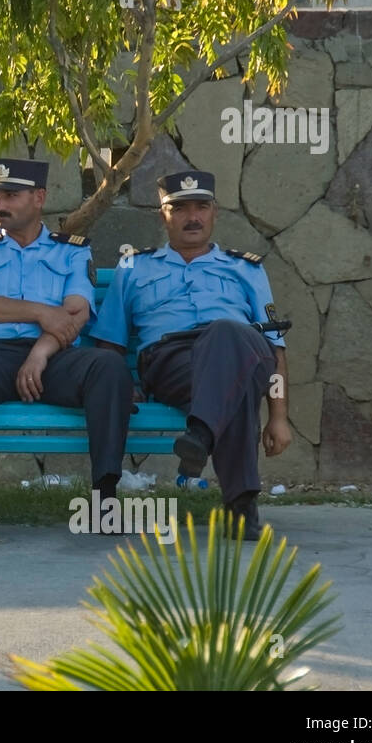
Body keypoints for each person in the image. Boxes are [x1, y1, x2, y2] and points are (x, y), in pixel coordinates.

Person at [0, 158, 133, 536]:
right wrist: (42, 312)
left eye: (11, 195)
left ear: (39, 198)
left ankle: (105, 498)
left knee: (108, 368)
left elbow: (75, 313)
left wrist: (40, 353)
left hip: (53, 361)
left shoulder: (72, 251)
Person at [90, 170, 292, 540]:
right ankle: (241, 506)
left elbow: (275, 345)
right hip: (171, 363)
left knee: (228, 333)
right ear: (163, 215)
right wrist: (120, 383)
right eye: (180, 209)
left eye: (202, 207)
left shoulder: (245, 268)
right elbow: (110, 342)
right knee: (239, 380)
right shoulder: (134, 267)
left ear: (215, 213)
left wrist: (279, 416)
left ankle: (199, 434)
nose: (192, 217)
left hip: (243, 350)